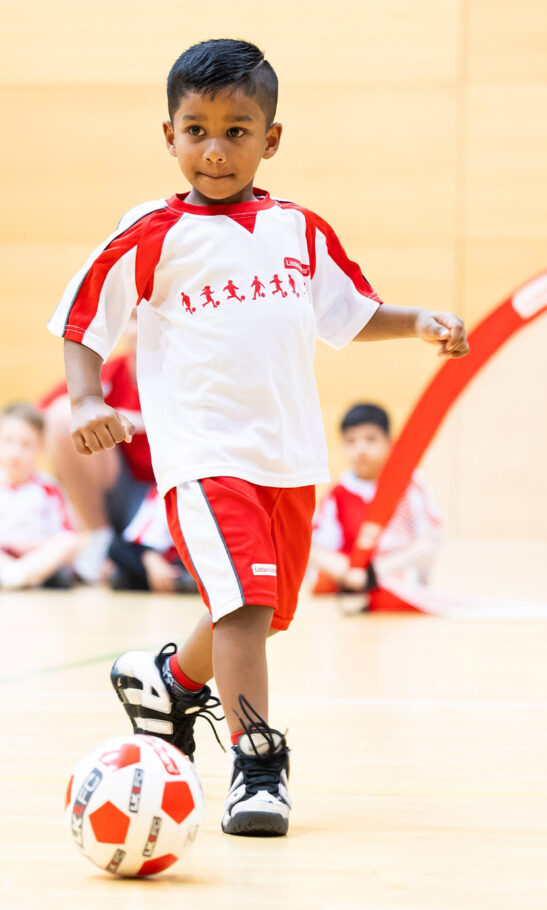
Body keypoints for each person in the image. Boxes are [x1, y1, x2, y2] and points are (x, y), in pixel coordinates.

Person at [48, 38, 469, 839]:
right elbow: (81, 319)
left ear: (270, 138)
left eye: (236, 130)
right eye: (195, 128)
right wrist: (83, 398)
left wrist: (420, 322)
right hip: (204, 456)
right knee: (243, 605)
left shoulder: (299, 230)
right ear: (167, 135)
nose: (214, 148)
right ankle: (257, 764)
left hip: (289, 457)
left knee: (265, 614)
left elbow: (349, 314)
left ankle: (167, 681)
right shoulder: (152, 232)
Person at [41, 314, 153, 582]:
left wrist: (138, 422)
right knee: (64, 415)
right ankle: (97, 538)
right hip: (120, 493)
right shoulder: (107, 376)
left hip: (170, 496)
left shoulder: (193, 378)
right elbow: (38, 417)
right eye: (136, 320)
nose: (143, 330)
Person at [310, 403, 442, 612]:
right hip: (352, 593)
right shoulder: (338, 494)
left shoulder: (411, 484)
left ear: (390, 443)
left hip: (401, 590)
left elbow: (429, 542)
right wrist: (350, 573)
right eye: (351, 441)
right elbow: (317, 549)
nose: (361, 449)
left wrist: (376, 571)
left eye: (371, 440)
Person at [0, 403, 80, 589]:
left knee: (68, 543)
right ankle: (16, 576)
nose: (15, 453)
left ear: (41, 446)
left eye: (26, 444)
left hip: (37, 558)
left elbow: (66, 535)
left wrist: (33, 545)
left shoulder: (49, 488)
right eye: (8, 442)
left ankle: (16, 576)